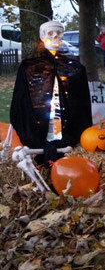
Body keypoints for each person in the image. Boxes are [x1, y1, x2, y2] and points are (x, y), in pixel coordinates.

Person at [11, 20, 92, 165]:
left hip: (67, 129)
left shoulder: (74, 67)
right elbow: (21, 101)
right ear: (42, 36)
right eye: (50, 33)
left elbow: (82, 102)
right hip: (39, 127)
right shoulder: (30, 67)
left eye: (59, 33)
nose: (55, 37)